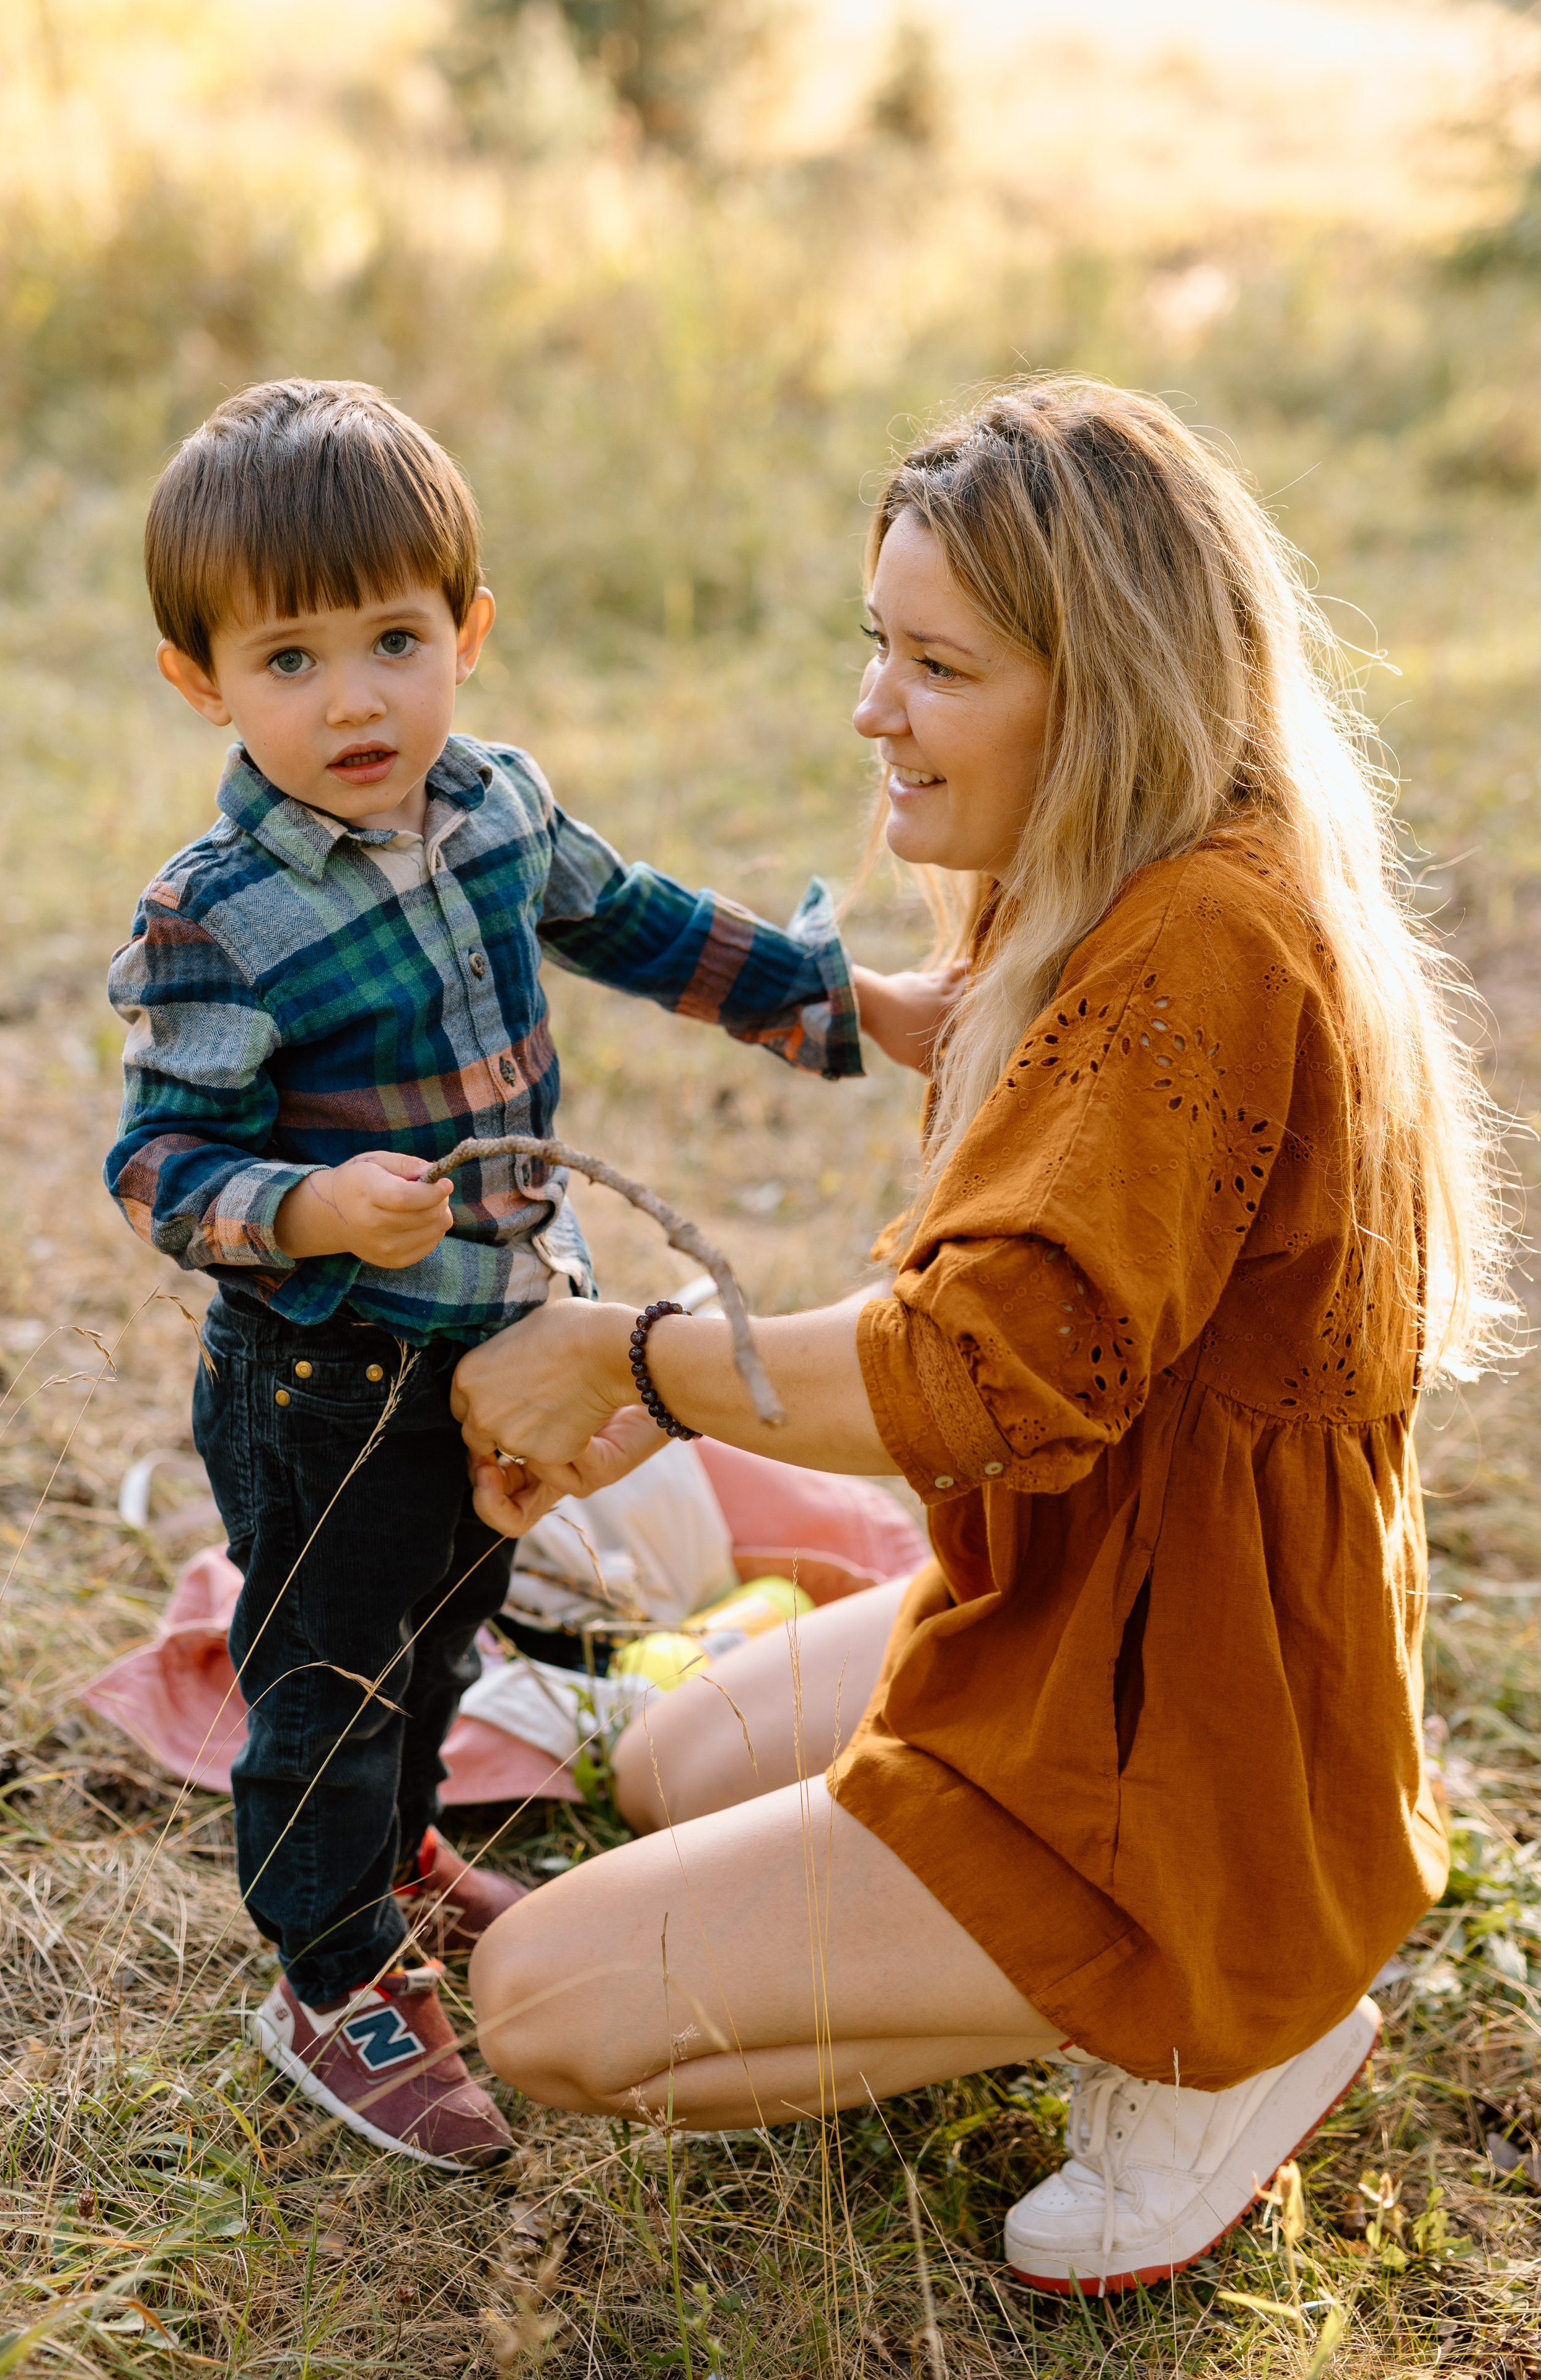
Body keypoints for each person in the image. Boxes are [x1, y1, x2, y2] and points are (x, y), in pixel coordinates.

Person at [448, 377, 1505, 2291]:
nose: (876, 706)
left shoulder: (1205, 950)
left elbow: (981, 1371)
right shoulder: (1142, 871)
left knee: (538, 2004)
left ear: (1100, 690)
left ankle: (1210, 2023)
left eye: (937, 664)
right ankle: (1104, 1937)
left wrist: (634, 1359)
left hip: (1182, 1722)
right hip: (1095, 1598)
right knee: (683, 1759)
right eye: (880, 642)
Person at [102, 377, 954, 2171]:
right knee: (326, 1661)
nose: (353, 699)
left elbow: (637, 919)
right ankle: (328, 1971)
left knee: (442, 1620)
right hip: (323, 1367)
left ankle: (400, 1849)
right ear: (203, 679)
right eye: (290, 659)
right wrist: (317, 1206)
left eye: (395, 639)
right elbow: (161, 1166)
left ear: (466, 637)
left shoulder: (493, 810)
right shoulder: (217, 915)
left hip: (500, 1333)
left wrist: (846, 1001)